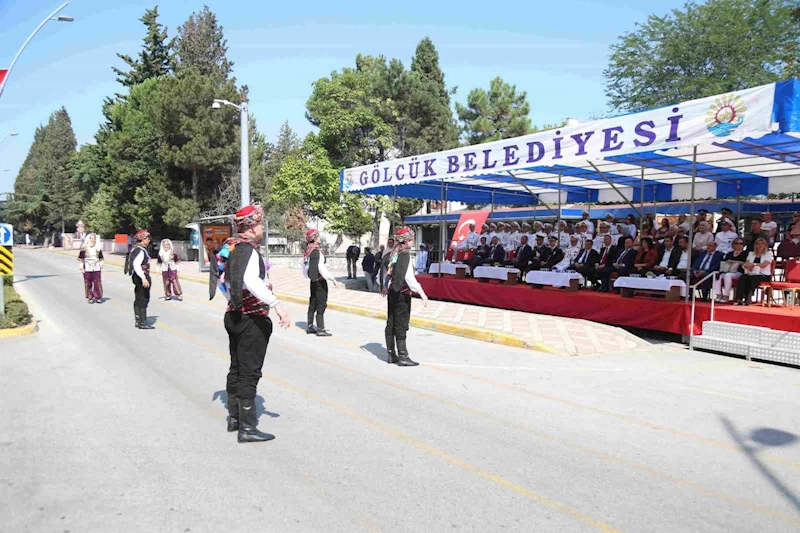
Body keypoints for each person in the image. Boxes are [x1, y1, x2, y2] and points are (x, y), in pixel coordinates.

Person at [219, 204, 291, 443]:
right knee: (249, 372)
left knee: (236, 367)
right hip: (251, 318)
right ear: (250, 227)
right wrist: (276, 304)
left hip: (234, 315)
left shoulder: (231, 248)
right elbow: (251, 280)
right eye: (260, 225)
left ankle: (234, 418)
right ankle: (247, 428)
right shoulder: (248, 251)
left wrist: (233, 301)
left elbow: (222, 282)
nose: (262, 229)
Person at [383, 227, 428, 367]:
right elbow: (409, 277)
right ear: (407, 240)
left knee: (391, 321)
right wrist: (421, 292)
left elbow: (388, 271)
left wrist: (385, 286)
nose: (412, 241)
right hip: (402, 293)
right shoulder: (404, 254)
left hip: (392, 291)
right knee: (401, 323)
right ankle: (403, 356)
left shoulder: (394, 253)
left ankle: (391, 354)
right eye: (411, 239)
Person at [303, 228, 339, 336]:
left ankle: (309, 326)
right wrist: (332, 278)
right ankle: (320, 328)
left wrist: (307, 276)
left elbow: (305, 266)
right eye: (318, 236)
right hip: (320, 281)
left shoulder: (308, 250)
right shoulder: (317, 251)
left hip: (313, 281)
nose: (319, 239)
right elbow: (321, 267)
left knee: (313, 302)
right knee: (321, 304)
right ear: (315, 238)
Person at [733, 237, 773, 306]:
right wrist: (748, 266)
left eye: (762, 244)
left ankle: (747, 299)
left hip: (763, 274)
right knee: (743, 277)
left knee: (753, 279)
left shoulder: (768, 253)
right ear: (755, 245)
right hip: (751, 272)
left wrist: (753, 264)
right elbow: (747, 263)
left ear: (765, 245)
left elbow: (764, 265)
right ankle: (738, 299)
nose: (760, 245)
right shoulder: (751, 253)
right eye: (758, 244)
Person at [127, 230, 154, 329]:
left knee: (138, 298)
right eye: (147, 239)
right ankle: (142, 322)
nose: (148, 240)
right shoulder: (140, 250)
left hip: (137, 276)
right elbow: (136, 264)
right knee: (143, 298)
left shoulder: (135, 249)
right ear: (142, 240)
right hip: (141, 276)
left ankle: (138, 321)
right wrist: (144, 278)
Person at [714, 238, 748, 303]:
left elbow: (746, 263)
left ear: (743, 245)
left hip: (739, 272)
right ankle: (718, 294)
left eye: (741, 243)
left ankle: (726, 295)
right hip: (728, 270)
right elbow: (724, 262)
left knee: (727, 276)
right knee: (717, 275)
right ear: (733, 245)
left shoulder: (745, 254)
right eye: (736, 243)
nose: (738, 245)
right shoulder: (729, 254)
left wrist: (735, 262)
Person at [78, 233, 104, 304]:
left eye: (94, 238)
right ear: (88, 239)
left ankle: (98, 297)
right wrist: (81, 267)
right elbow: (81, 258)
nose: (93, 240)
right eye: (91, 238)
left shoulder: (98, 248)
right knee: (88, 282)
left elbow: (101, 257)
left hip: (96, 266)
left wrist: (101, 264)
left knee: (97, 282)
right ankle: (90, 297)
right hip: (87, 266)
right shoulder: (84, 247)